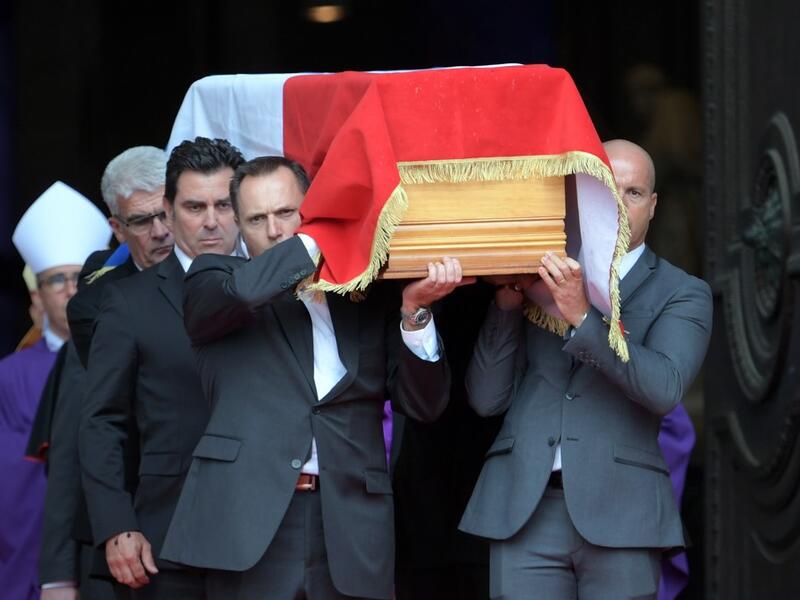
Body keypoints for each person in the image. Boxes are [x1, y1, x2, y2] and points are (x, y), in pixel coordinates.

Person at [160, 156, 467, 600]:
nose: (275, 231)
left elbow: (424, 404)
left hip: (351, 524)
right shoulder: (213, 279)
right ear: (238, 226)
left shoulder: (364, 293)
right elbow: (245, 293)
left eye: (287, 213)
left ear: (309, 211)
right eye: (257, 219)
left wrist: (414, 313)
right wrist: (324, 235)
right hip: (251, 523)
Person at [459, 139, 713, 599]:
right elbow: (486, 398)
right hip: (524, 508)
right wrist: (507, 302)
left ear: (653, 206)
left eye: (633, 192)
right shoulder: (539, 273)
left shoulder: (683, 292)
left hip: (624, 514)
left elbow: (663, 388)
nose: (619, 203)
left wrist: (581, 316)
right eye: (607, 189)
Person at [79, 137, 243, 599]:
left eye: (224, 205)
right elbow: (101, 421)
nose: (211, 221)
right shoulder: (128, 302)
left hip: (269, 535)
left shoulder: (277, 290)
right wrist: (117, 524)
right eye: (194, 207)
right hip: (167, 538)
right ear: (169, 212)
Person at [35, 146, 171, 600]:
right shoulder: (97, 301)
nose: (161, 231)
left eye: (167, 213)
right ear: (117, 229)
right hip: (131, 515)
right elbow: (81, 432)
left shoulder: (217, 273)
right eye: (143, 221)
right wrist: (58, 573)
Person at [1, 181, 111, 600]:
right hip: (33, 548)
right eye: (56, 280)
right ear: (37, 297)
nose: (70, 289)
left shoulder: (119, 353)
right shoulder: (10, 375)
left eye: (80, 277)